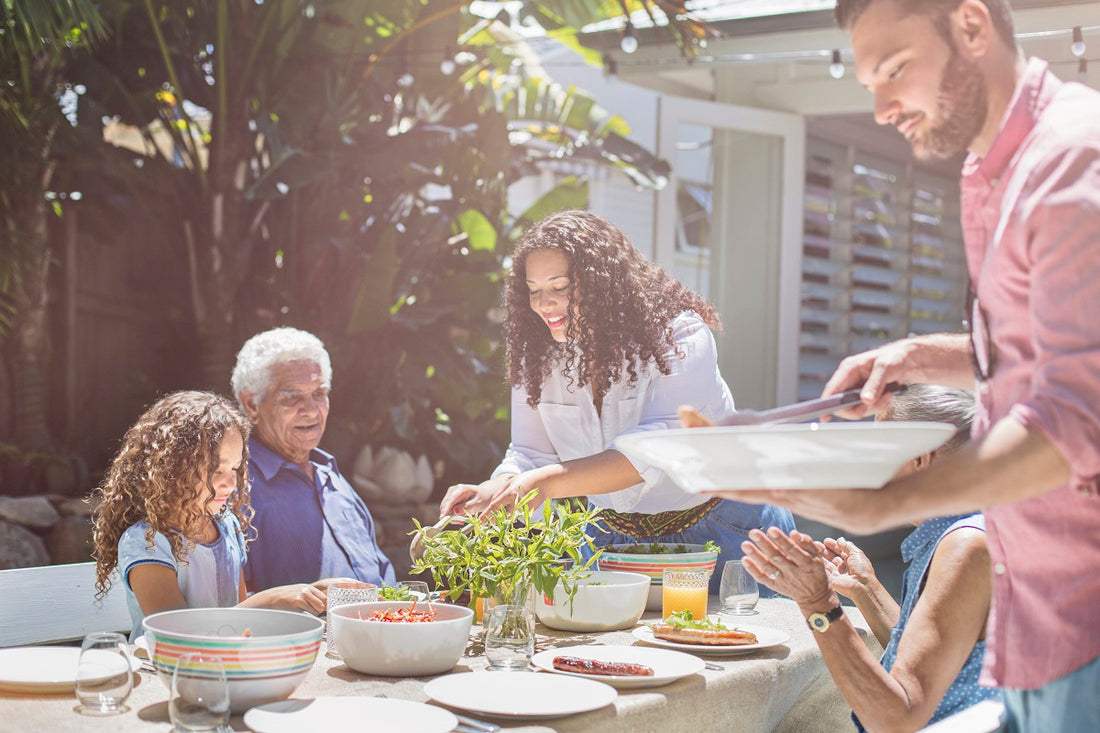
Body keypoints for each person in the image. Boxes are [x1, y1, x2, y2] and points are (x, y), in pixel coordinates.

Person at [707, 2, 1100, 730]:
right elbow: (1040, 353)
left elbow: (1077, 418)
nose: (882, 107)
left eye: (895, 70)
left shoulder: (1071, 162)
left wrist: (879, 505)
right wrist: (919, 356)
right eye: (867, 82)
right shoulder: (992, 171)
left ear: (973, 29)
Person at [438, 210, 794, 592]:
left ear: (601, 282)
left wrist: (539, 483)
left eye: (559, 287)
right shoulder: (537, 355)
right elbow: (530, 453)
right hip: (610, 541)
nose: (544, 304)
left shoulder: (679, 333)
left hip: (726, 534)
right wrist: (499, 489)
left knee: (743, 645)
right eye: (534, 290)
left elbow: (655, 451)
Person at [741, 386, 1000, 731]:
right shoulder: (961, 531)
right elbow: (929, 657)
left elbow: (896, 719)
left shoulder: (966, 545)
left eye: (877, 448)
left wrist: (818, 603)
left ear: (920, 457)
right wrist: (867, 589)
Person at [91, 391, 333, 640]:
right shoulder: (148, 542)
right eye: (216, 469)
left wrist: (306, 595)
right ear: (172, 467)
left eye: (236, 469)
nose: (230, 483)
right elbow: (176, 636)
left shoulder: (227, 526)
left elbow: (239, 620)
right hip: (164, 672)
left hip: (223, 669)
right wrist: (273, 599)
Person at [231, 327, 395, 591]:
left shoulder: (332, 478)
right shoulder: (233, 488)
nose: (310, 410)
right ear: (251, 405)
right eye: (291, 397)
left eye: (319, 394)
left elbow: (382, 577)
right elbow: (227, 608)